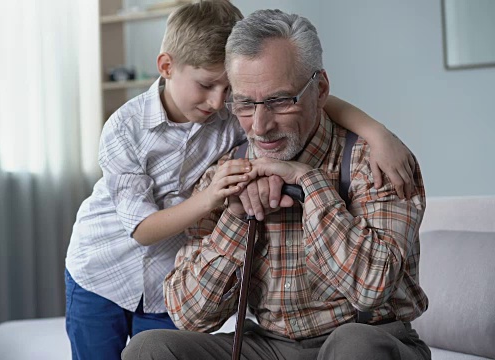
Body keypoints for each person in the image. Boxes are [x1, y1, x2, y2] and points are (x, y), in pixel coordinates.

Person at [66, 2, 417, 359]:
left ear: (320, 89)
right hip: (107, 265)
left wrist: (313, 180)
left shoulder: (376, 162)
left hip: (363, 336)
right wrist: (232, 214)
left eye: (280, 101)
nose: (260, 126)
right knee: (151, 349)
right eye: (245, 103)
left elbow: (372, 288)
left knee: (355, 346)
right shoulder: (219, 148)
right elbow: (189, 315)